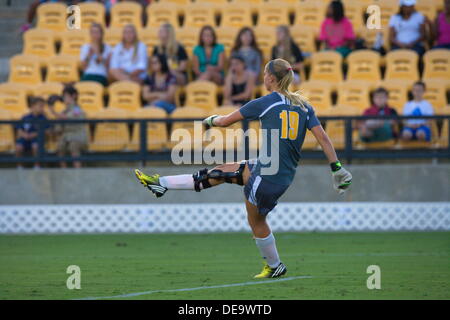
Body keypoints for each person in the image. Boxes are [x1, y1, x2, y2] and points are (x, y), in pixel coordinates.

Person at [134, 58, 353, 279]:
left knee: (256, 221)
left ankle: (275, 265)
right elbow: (323, 138)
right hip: (278, 172)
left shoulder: (265, 102)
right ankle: (161, 184)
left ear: (270, 78)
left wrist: (209, 120)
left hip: (268, 177)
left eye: (265, 73)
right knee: (219, 173)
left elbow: (224, 121)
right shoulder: (305, 107)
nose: (263, 77)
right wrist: (337, 168)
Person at [47, 85, 88, 168]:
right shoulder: (64, 111)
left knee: (74, 146)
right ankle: (64, 171)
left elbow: (67, 118)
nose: (65, 99)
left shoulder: (77, 109)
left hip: (77, 136)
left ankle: (78, 173)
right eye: (64, 96)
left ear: (74, 96)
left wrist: (53, 111)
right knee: (60, 147)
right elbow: (59, 128)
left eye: (66, 96)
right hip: (66, 136)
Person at [15, 97, 49, 169]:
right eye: (40, 106)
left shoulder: (43, 118)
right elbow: (19, 129)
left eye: (43, 106)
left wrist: (34, 134)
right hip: (24, 138)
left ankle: (37, 165)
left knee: (35, 146)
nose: (42, 108)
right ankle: (19, 166)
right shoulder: (25, 117)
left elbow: (47, 131)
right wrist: (24, 135)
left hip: (37, 139)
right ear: (33, 106)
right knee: (18, 147)